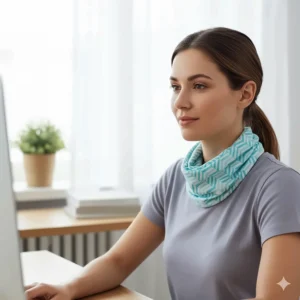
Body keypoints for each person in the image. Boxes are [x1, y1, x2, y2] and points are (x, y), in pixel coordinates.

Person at [25, 27, 300, 300]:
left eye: (199, 86)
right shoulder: (176, 179)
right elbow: (119, 261)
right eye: (175, 87)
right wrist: (68, 288)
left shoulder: (279, 186)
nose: (180, 102)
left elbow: (277, 297)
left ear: (245, 94)